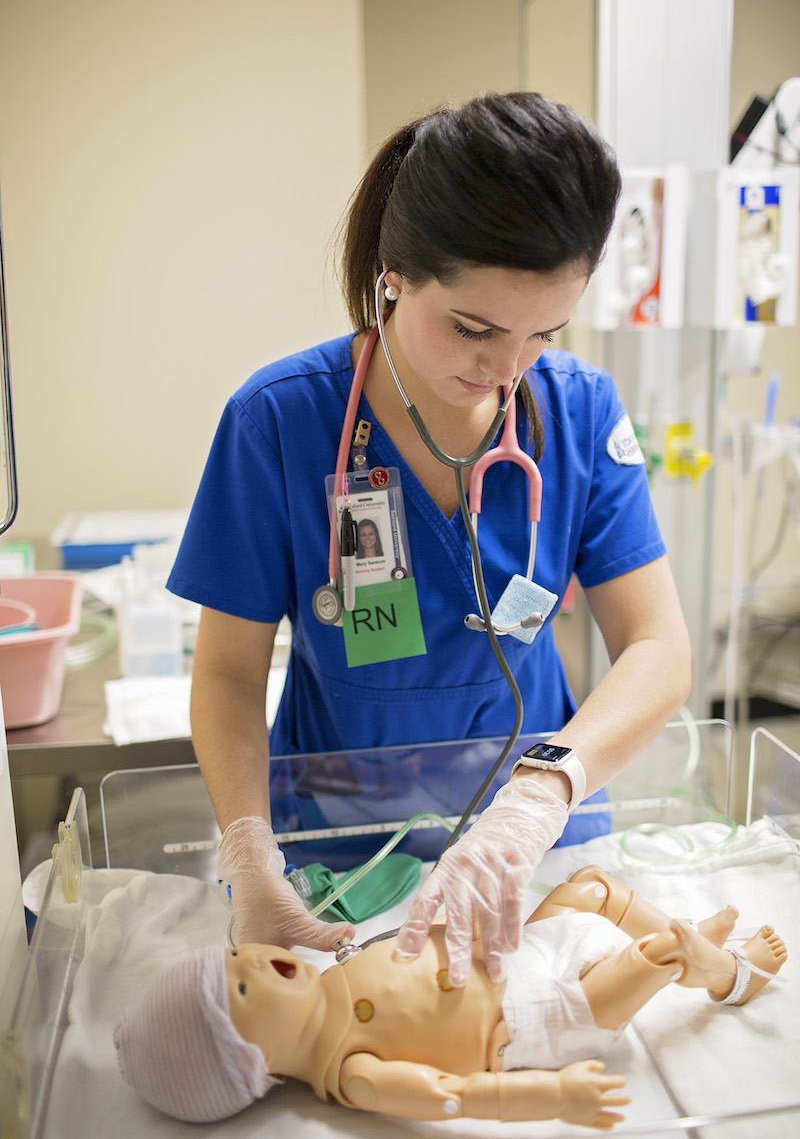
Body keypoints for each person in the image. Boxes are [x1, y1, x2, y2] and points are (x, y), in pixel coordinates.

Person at [165, 91, 692, 985]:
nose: (506, 369)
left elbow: (657, 648)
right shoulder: (279, 421)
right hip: (336, 848)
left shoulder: (576, 411)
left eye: (542, 334)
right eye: (473, 329)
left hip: (532, 839)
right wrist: (249, 854)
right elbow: (225, 672)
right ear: (394, 273)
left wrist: (543, 794)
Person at [114, 865, 786, 1126]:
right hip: (536, 1016)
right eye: (240, 985)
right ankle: (727, 972)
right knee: (652, 958)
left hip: (514, 951)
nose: (256, 961)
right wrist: (556, 1098)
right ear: (251, 1060)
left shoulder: (327, 970)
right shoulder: (355, 1074)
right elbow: (454, 1095)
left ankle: (689, 944)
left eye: (237, 956)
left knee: (592, 890)